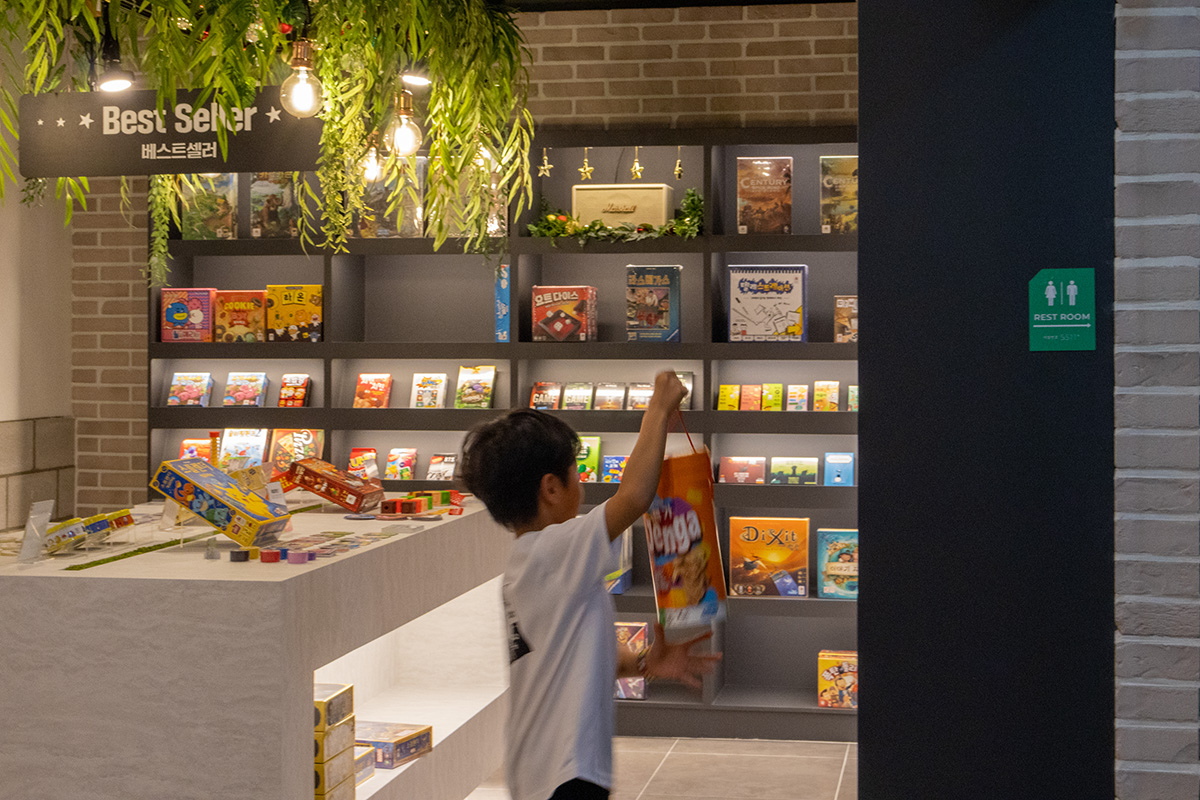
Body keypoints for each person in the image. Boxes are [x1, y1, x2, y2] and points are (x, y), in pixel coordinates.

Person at [460, 370, 721, 800]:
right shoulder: (554, 550)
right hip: (566, 773)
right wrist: (658, 410)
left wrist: (644, 662)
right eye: (576, 473)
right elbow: (634, 497)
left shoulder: (531, 563)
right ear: (551, 488)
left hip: (542, 769)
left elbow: (573, 653)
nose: (581, 483)